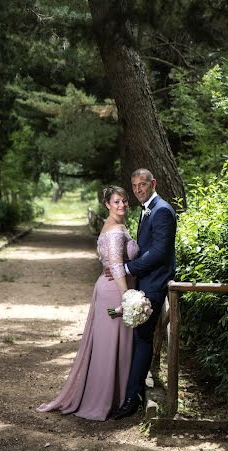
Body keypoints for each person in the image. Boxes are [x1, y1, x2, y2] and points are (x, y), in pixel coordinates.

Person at [37, 186, 139, 421]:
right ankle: (104, 399)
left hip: (108, 286)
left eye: (124, 201)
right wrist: (127, 298)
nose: (122, 205)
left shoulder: (110, 226)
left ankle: (111, 396)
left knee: (108, 344)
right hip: (115, 291)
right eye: (116, 202)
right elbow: (115, 265)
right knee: (109, 346)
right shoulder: (114, 232)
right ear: (107, 204)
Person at [110, 168, 177, 420]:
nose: (138, 189)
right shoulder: (147, 209)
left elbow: (159, 252)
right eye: (134, 185)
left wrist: (126, 267)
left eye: (142, 184)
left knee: (143, 338)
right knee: (140, 337)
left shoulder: (162, 211)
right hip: (144, 282)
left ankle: (131, 398)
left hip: (155, 284)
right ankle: (133, 392)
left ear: (153, 183)